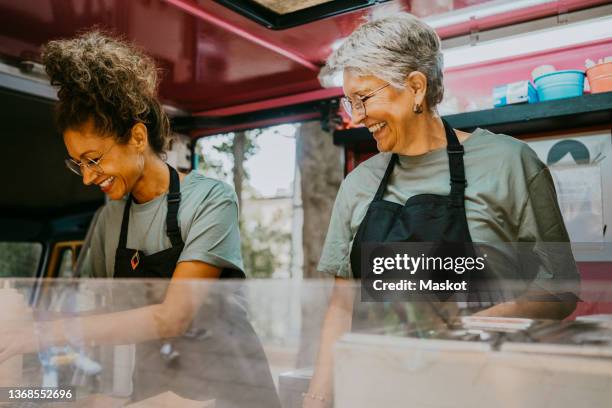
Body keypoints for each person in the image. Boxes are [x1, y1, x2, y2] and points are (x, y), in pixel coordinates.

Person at [304, 13, 579, 407]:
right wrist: (316, 399)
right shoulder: (358, 184)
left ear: (415, 87)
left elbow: (560, 289)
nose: (357, 116)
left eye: (363, 98)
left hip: (485, 390)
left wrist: (469, 327)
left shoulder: (508, 163)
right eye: (350, 101)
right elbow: (341, 306)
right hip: (380, 392)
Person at [0, 31, 280, 408]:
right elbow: (104, 314)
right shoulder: (108, 218)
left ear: (135, 137)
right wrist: (24, 317)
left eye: (94, 159)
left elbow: (172, 318)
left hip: (229, 393)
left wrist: (38, 335)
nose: (86, 177)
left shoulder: (211, 200)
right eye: (78, 163)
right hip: (156, 391)